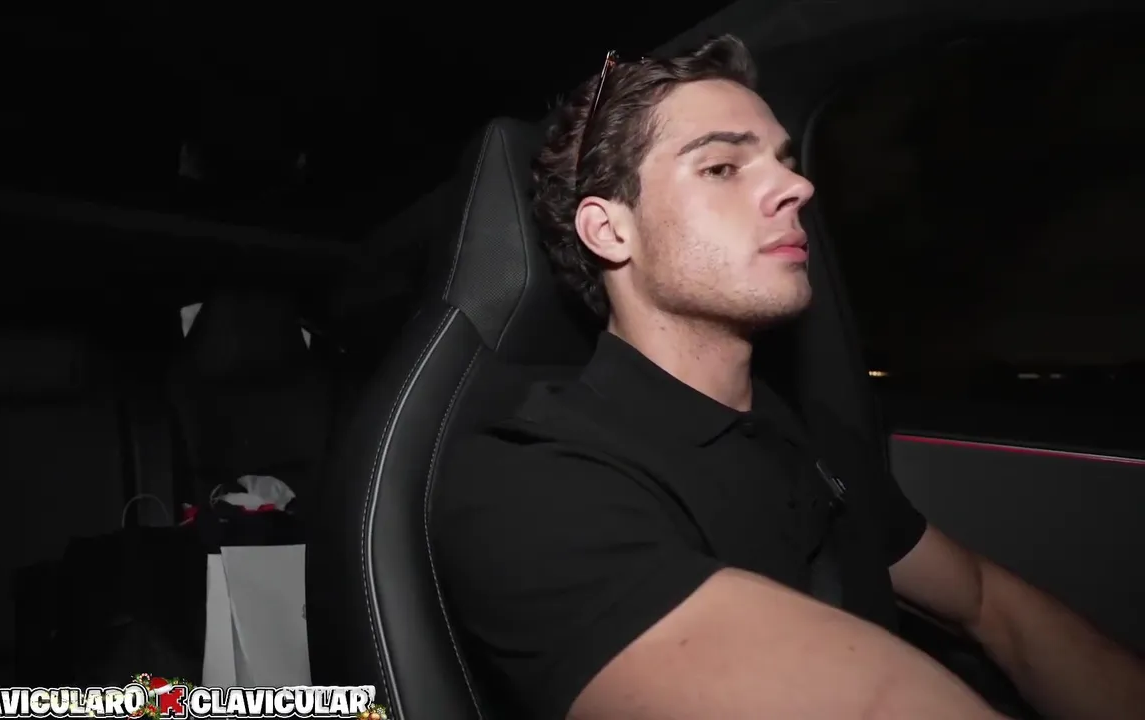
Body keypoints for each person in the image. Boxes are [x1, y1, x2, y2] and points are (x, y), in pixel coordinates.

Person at [430, 35, 1145, 720]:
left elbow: (988, 602)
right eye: (722, 167)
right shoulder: (533, 481)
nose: (798, 186)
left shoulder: (808, 434)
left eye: (785, 159)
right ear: (610, 231)